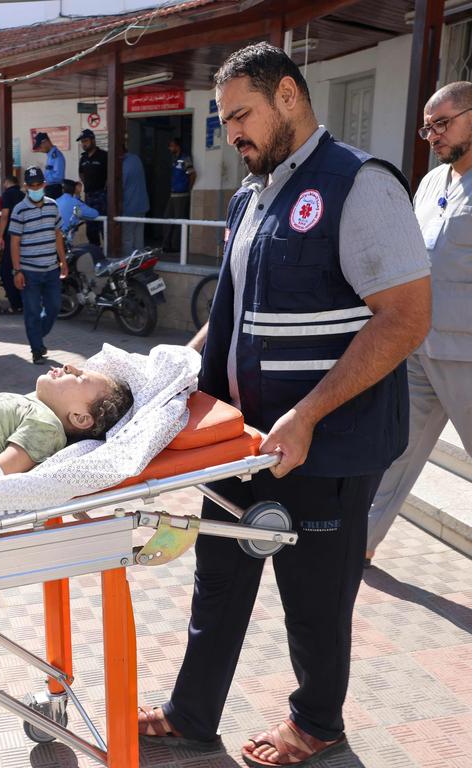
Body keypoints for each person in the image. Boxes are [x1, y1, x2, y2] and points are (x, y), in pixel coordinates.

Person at [137, 43, 431, 767]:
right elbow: (232, 318)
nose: (232, 133)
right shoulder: (251, 194)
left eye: (242, 115)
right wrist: (173, 373)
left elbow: (404, 318)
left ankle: (318, 723)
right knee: (220, 576)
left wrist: (309, 415)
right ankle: (192, 712)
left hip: (329, 443)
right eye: (225, 119)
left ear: (291, 97)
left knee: (316, 596)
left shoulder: (359, 186)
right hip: (241, 441)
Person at [366, 81, 472, 564]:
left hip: (467, 355)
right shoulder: (432, 183)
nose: (432, 135)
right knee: (392, 454)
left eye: (443, 123)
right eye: (428, 126)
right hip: (418, 347)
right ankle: (360, 547)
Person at [0, 362, 132, 477]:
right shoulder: (34, 403)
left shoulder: (48, 427)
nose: (69, 367)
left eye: (78, 377)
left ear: (80, 418)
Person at [8, 167, 68, 365]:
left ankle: (37, 337)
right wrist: (17, 270)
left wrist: (63, 261)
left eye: (38, 184)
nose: (35, 188)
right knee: (32, 311)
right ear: (25, 187)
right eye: (31, 185)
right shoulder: (19, 210)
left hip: (51, 270)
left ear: (44, 184)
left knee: (54, 308)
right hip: (29, 271)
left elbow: (58, 235)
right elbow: (14, 242)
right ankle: (36, 348)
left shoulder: (53, 206)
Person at [162, 137, 196, 253]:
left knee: (178, 221)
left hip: (181, 195)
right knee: (167, 219)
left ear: (177, 146)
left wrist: (188, 189)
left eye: (172, 146)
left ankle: (176, 247)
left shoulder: (185, 158)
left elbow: (192, 174)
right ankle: (166, 245)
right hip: (173, 194)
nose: (170, 148)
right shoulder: (174, 159)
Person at [0, 174, 25, 314]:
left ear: (6, 183)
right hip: (24, 237)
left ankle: (15, 304)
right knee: (21, 268)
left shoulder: (7, 195)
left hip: (11, 236)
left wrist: (0, 236)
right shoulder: (23, 195)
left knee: (6, 270)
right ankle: (23, 301)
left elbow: (4, 216)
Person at [77, 129, 108, 246]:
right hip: (89, 196)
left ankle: (108, 254)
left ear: (93, 140)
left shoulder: (104, 156)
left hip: (102, 196)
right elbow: (81, 174)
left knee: (104, 226)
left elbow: (110, 175)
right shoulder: (83, 158)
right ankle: (95, 252)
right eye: (82, 142)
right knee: (90, 227)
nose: (84, 144)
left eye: (86, 140)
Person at [121, 149, 150, 253]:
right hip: (142, 206)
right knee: (138, 238)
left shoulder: (124, 164)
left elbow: (120, 186)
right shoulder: (136, 159)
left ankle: (130, 263)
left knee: (127, 239)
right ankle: (140, 261)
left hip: (129, 207)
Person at [33, 132, 66, 199]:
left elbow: (58, 177)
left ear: (45, 142)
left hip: (54, 190)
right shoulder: (50, 156)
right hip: (50, 189)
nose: (39, 150)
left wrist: (44, 182)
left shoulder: (56, 156)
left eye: (40, 146)